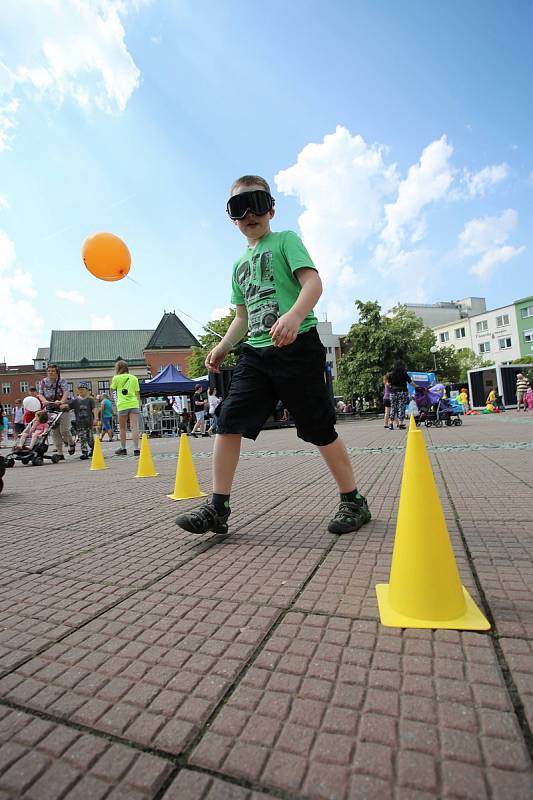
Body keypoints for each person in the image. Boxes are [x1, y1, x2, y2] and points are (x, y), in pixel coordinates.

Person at [176, 174, 371, 536]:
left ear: (272, 209)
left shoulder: (285, 240)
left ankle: (353, 500)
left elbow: (313, 282)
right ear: (232, 218)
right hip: (256, 354)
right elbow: (241, 316)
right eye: (239, 207)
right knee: (228, 420)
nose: (250, 213)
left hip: (298, 347)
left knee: (318, 427)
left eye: (258, 203)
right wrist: (222, 347)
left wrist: (295, 315)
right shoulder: (238, 266)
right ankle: (218, 507)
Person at [38, 365, 75, 460]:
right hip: (50, 408)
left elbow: (66, 392)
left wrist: (61, 401)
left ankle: (71, 443)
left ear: (57, 372)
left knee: (64, 430)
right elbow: (40, 394)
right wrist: (44, 401)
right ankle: (60, 453)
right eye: (49, 371)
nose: (50, 373)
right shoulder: (43, 382)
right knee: (54, 431)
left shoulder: (62, 381)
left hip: (62, 408)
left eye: (53, 371)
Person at [110, 360, 140, 455]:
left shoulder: (116, 378)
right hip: (133, 404)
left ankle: (123, 448)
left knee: (123, 428)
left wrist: (116, 403)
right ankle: (136, 449)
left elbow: (113, 392)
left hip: (122, 405)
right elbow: (137, 393)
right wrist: (137, 404)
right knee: (134, 427)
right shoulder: (134, 378)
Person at [66, 383, 96, 460]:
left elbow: (94, 409)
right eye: (80, 390)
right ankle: (84, 452)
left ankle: (93, 449)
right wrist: (64, 406)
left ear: (87, 391)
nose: (81, 391)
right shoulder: (75, 401)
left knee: (90, 439)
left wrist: (96, 418)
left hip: (89, 422)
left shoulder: (90, 400)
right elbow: (68, 407)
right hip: (80, 423)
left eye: (83, 389)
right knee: (82, 438)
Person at [388, 359, 413, 430]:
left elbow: (389, 384)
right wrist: (417, 386)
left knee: (393, 407)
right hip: (402, 391)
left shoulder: (391, 374)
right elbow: (410, 382)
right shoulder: (404, 373)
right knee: (401, 407)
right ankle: (400, 423)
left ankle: (391, 423)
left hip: (393, 392)